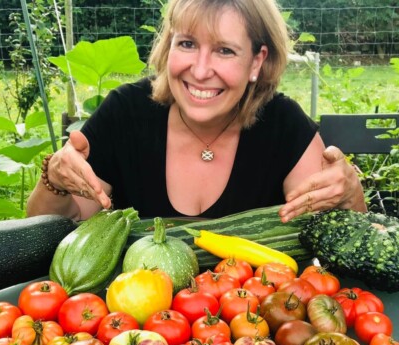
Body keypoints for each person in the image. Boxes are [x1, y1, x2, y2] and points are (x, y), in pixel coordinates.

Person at [27, 0, 367, 223]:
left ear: (257, 61)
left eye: (224, 50)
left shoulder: (283, 125)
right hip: (132, 327)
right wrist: (54, 180)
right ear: (169, 46)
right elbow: (59, 225)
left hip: (257, 327)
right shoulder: (125, 113)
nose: (201, 70)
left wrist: (350, 199)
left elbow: (341, 234)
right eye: (187, 44)